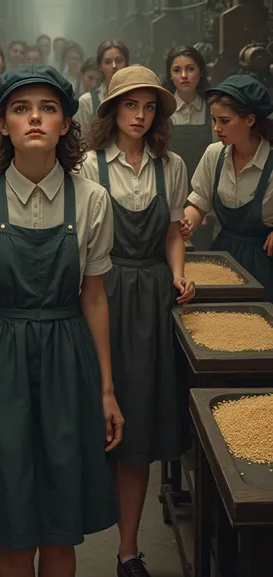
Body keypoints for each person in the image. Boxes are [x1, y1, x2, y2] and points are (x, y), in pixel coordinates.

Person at [0, 65, 123, 577]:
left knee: (61, 522)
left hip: (70, 354)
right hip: (2, 356)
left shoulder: (92, 199)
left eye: (48, 109)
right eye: (21, 110)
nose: (35, 119)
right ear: (1, 124)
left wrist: (107, 390)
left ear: (67, 123)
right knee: (15, 522)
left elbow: (94, 298)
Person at [80, 65, 195, 577]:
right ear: (112, 111)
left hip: (150, 300)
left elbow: (173, 233)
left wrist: (178, 275)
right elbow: (78, 242)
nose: (141, 116)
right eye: (131, 105)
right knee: (89, 420)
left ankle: (128, 550)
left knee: (139, 430)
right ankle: (68, 543)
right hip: (99, 295)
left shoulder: (170, 165)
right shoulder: (86, 165)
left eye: (149, 107)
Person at [181, 75, 273, 301]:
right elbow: (200, 201)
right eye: (213, 120)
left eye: (224, 121)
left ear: (250, 120)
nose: (216, 128)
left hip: (264, 260)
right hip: (223, 256)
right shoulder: (215, 154)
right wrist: (184, 225)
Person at [164, 45, 213, 249]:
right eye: (177, 70)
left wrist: (205, 209)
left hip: (205, 193)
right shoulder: (162, 111)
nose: (184, 75)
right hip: (169, 191)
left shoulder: (213, 109)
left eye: (190, 69)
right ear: (170, 76)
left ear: (200, 73)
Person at [75, 40, 130, 139]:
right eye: (107, 62)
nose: (114, 66)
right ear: (100, 66)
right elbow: (81, 141)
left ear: (126, 63)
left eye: (119, 60)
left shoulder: (137, 95)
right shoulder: (87, 101)